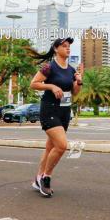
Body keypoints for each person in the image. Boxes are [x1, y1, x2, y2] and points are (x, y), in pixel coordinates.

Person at [29, 37, 83, 198]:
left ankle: (38, 178)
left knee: (50, 148)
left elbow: (74, 93)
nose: (68, 49)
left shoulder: (72, 70)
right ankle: (46, 178)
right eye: (64, 46)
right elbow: (34, 83)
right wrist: (51, 86)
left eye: (69, 46)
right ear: (55, 49)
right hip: (49, 110)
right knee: (61, 145)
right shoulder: (49, 67)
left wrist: (79, 81)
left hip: (64, 112)